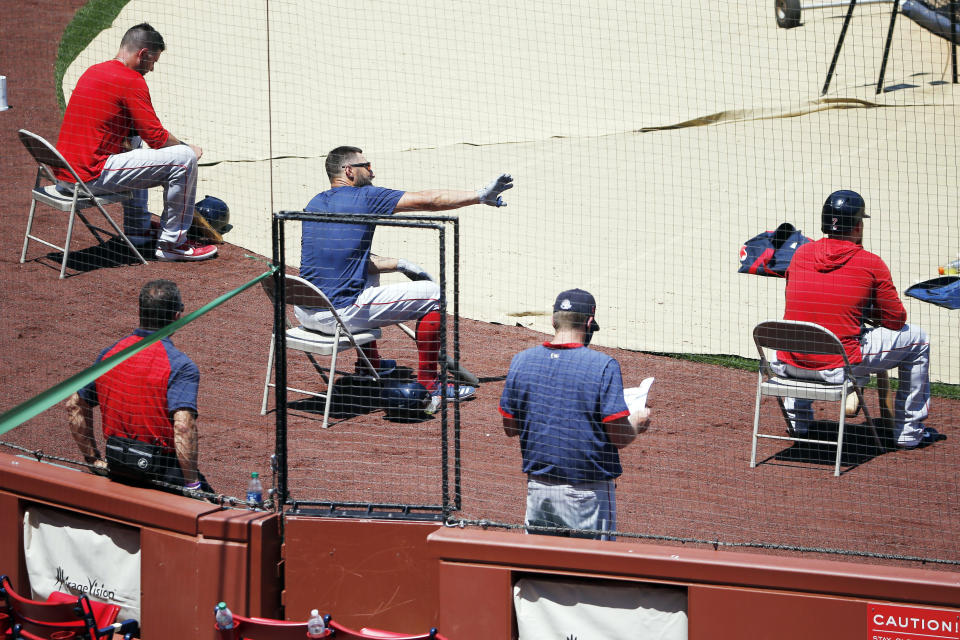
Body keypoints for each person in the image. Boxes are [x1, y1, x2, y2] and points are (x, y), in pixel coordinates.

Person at [297, 145, 513, 409]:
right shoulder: (365, 196)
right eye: (367, 166)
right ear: (349, 171)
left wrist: (399, 264)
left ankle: (370, 366)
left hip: (304, 312)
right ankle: (430, 386)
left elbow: (347, 259)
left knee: (368, 278)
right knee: (433, 295)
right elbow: (428, 200)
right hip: (338, 315)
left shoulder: (315, 202)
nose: (372, 172)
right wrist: (479, 196)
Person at [775, 190, 935, 449]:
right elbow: (896, 320)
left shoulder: (800, 255)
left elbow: (805, 303)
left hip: (789, 363)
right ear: (858, 226)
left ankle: (799, 425)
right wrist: (867, 310)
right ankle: (909, 433)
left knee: (804, 335)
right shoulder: (870, 263)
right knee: (918, 341)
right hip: (839, 367)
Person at [55, 23, 216, 262]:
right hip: (88, 177)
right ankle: (173, 244)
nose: (151, 69)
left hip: (64, 175)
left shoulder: (94, 70)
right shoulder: (131, 80)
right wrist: (186, 146)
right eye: (152, 61)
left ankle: (137, 229)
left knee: (134, 138)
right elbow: (157, 138)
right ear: (142, 54)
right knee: (184, 160)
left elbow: (138, 132)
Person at [499, 289, 651, 540]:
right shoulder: (603, 365)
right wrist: (636, 422)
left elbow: (510, 427)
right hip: (588, 495)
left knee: (539, 567)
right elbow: (619, 437)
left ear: (553, 320)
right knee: (591, 571)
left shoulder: (522, 361)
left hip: (539, 489)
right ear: (589, 322)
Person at [66, 280, 212, 493]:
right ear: (177, 317)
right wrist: (192, 485)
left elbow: (74, 405)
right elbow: (183, 427)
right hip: (162, 474)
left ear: (141, 312)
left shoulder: (110, 354)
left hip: (118, 466)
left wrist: (93, 459)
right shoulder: (181, 366)